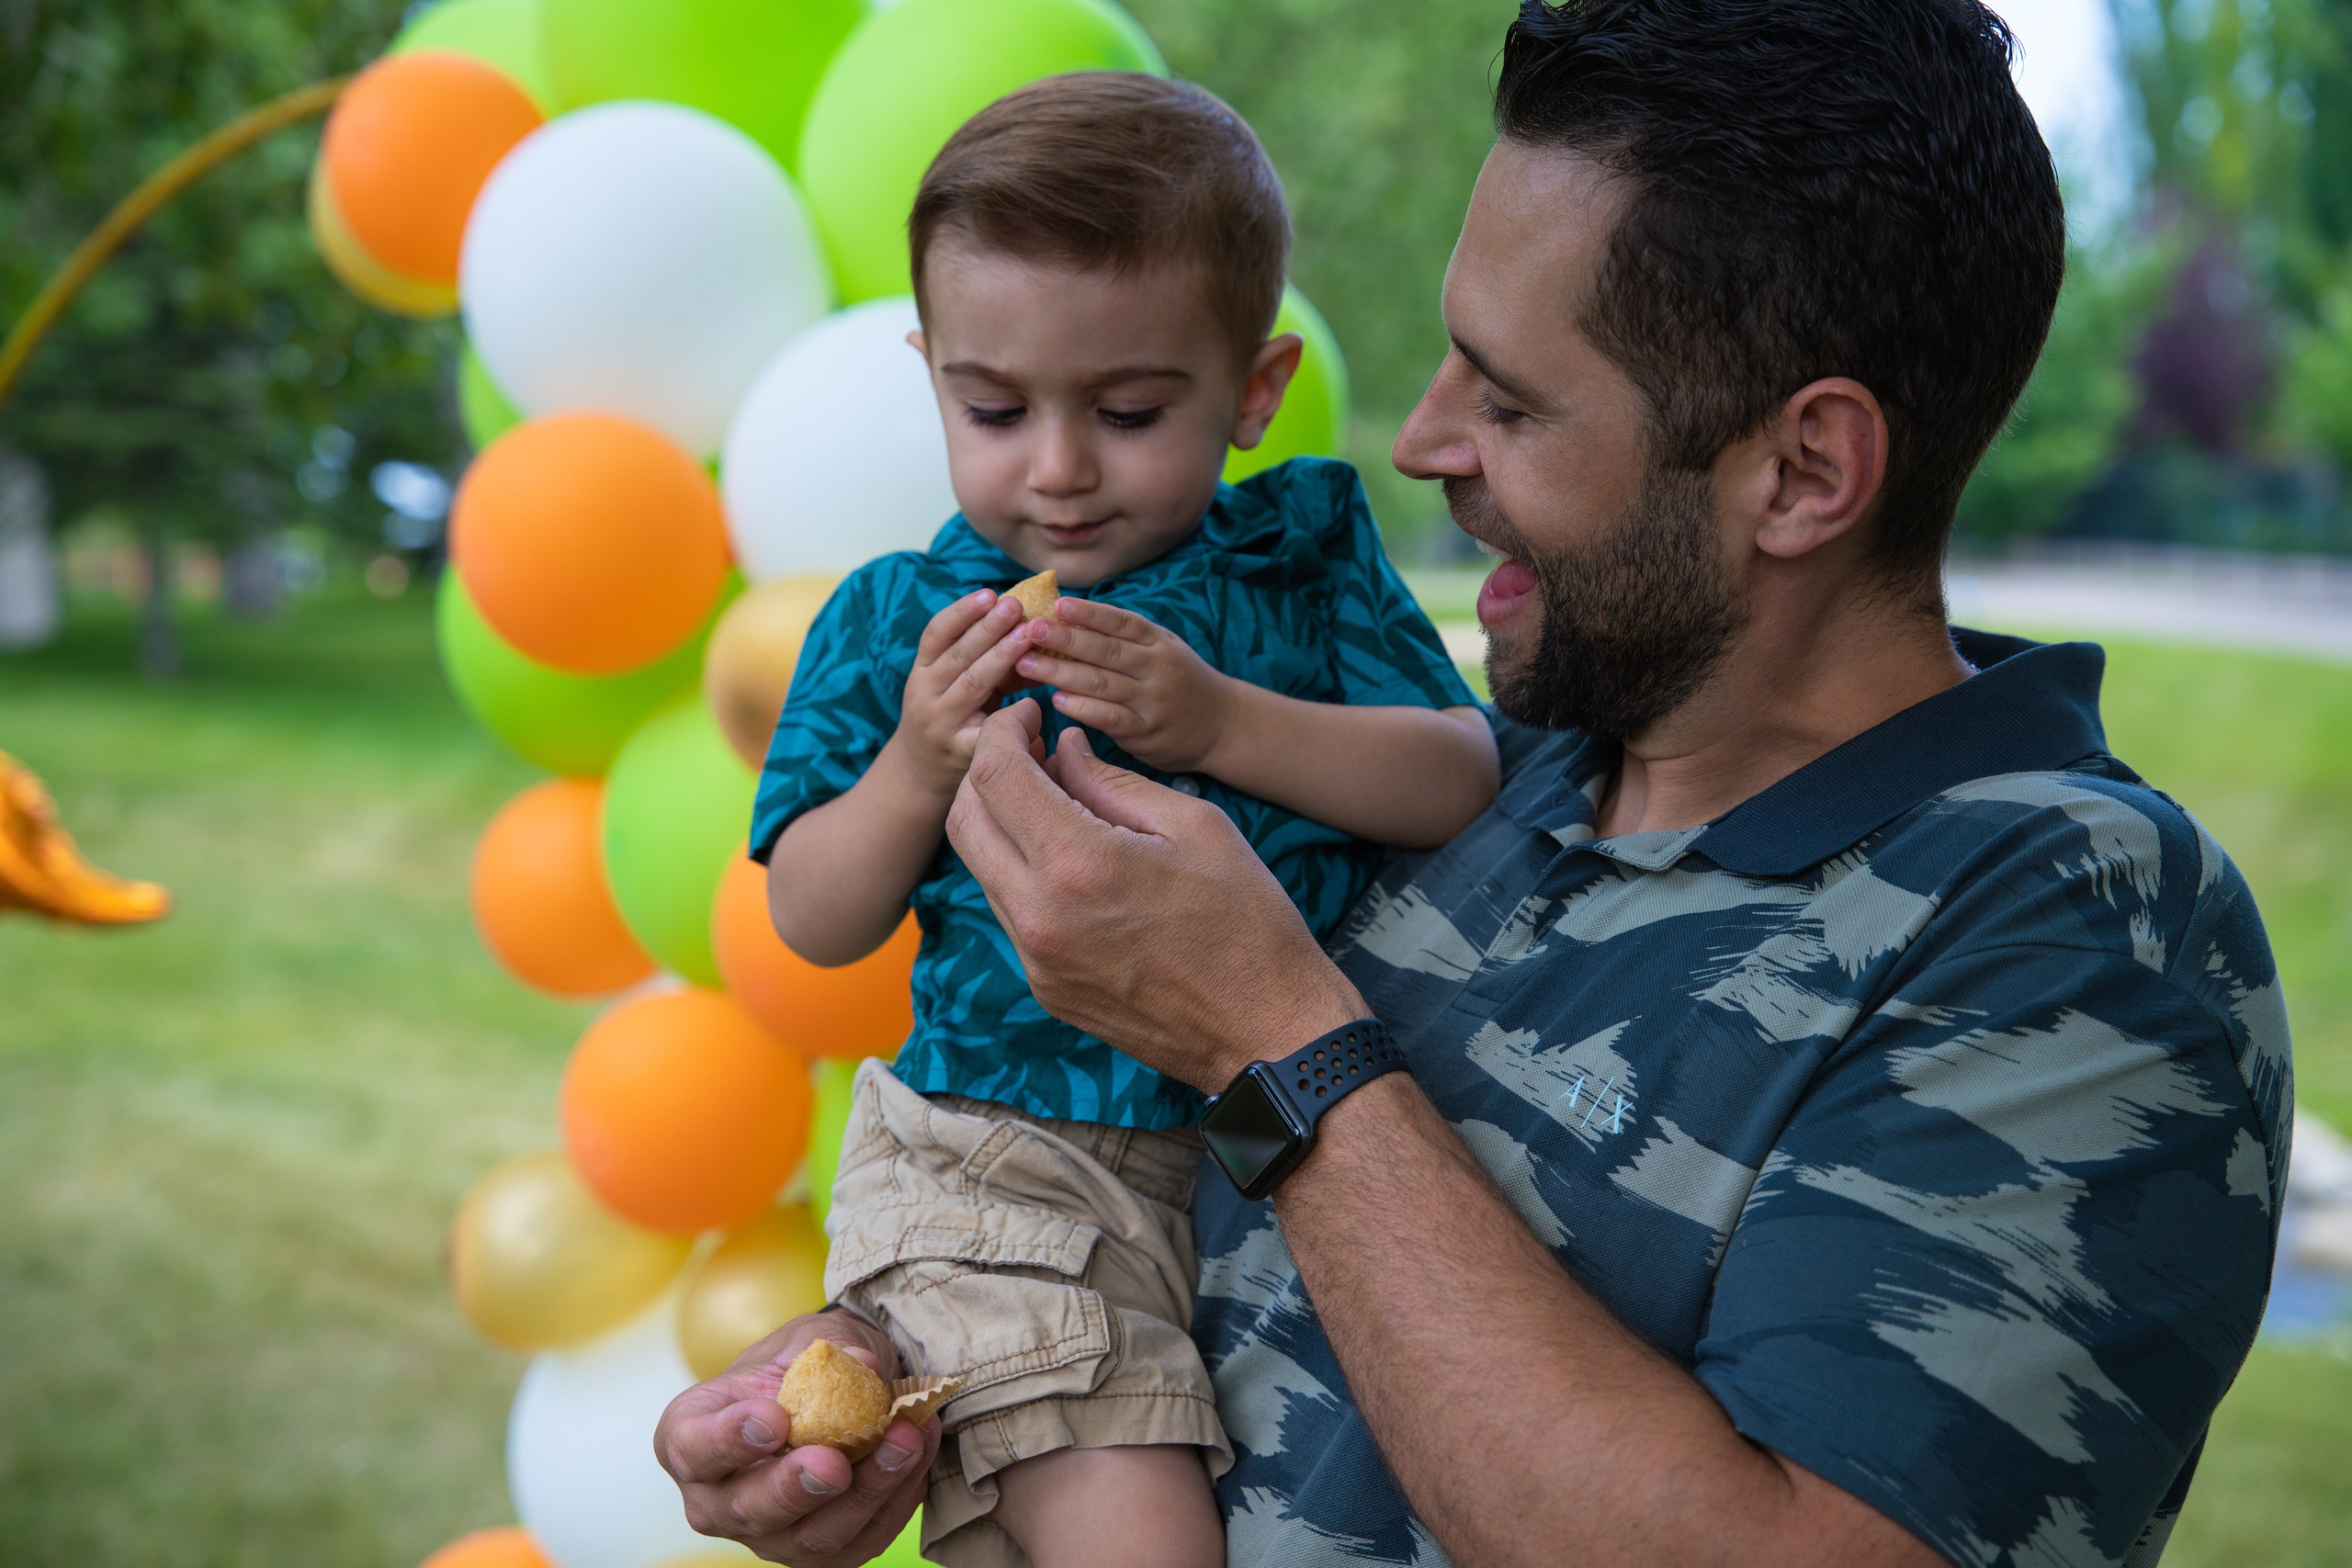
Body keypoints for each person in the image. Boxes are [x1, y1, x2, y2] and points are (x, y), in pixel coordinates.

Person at [657, 3, 2290, 1565]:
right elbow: (1200, 1240)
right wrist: (932, 1365)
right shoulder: (1488, 779)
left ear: (1800, 472)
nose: (1426, 442)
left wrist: (1268, 1034)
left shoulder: (2073, 933)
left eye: (1507, 397)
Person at [708, 71, 1498, 1568]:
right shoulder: (900, 621)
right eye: (993, 409)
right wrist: (917, 767)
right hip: (1002, 1165)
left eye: (1130, 411)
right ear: (929, 368)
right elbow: (813, 918)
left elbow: (1452, 774)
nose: (1059, 468)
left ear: (1253, 389)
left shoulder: (1302, 563)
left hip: (1261, 1164)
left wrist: (1224, 724)